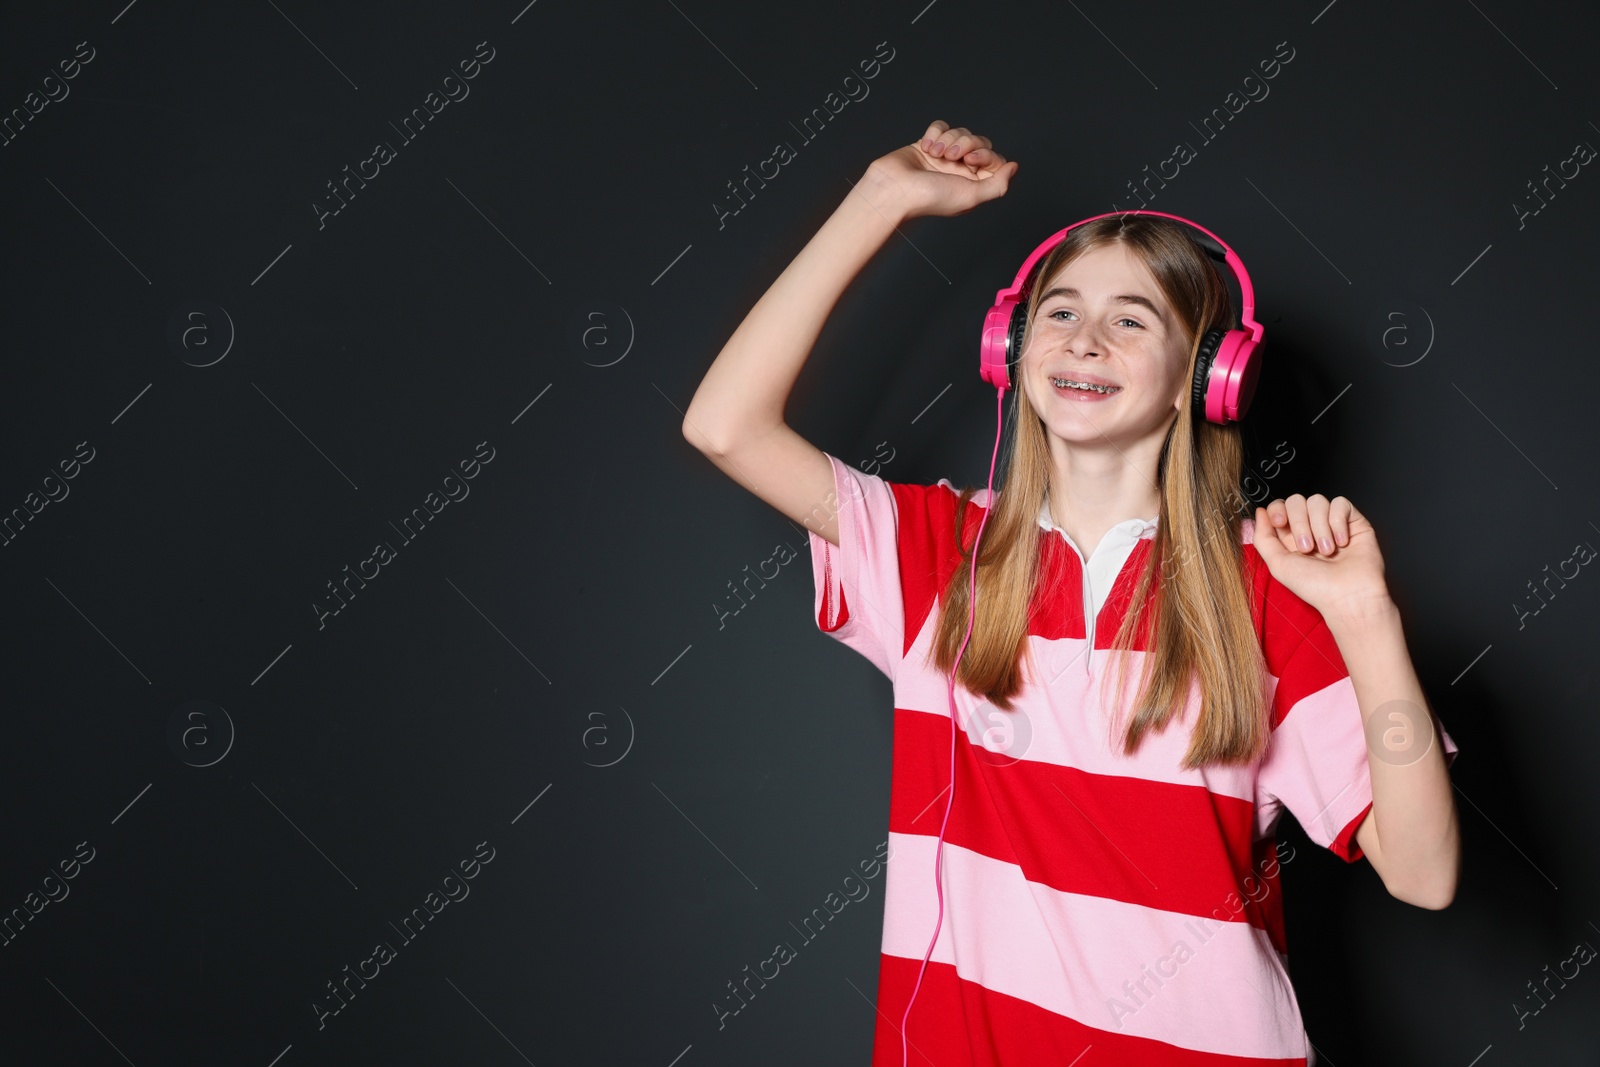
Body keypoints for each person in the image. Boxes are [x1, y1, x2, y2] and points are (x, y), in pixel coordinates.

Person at [682, 121, 1462, 1066]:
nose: (1085, 338)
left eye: (1133, 318)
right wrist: (881, 198)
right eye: (1059, 312)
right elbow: (726, 426)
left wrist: (1366, 618)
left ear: (1206, 379)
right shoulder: (934, 551)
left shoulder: (1268, 586)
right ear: (1009, 347)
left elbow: (1424, 874)